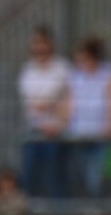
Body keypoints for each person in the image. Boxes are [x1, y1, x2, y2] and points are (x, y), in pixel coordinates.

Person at [65, 36, 111, 200]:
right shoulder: (75, 76)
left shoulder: (110, 74)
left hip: (104, 138)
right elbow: (69, 104)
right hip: (81, 136)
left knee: (104, 179)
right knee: (82, 178)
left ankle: (108, 208)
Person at [16, 26, 70, 200]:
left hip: (57, 131)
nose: (39, 47)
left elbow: (66, 99)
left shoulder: (62, 68)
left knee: (56, 176)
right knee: (30, 173)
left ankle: (59, 210)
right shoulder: (27, 71)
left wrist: (53, 110)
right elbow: (34, 104)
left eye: (43, 43)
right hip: (35, 130)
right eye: (36, 43)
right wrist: (51, 102)